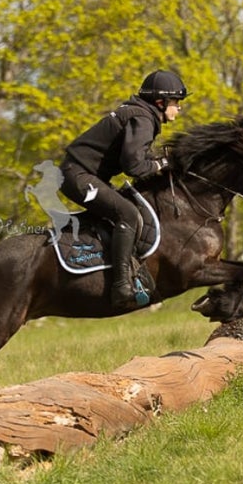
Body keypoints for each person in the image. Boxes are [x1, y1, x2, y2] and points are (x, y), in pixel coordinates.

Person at [58, 69, 187, 309]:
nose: (179, 108)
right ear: (160, 102)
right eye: (176, 102)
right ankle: (121, 286)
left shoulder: (139, 113)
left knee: (124, 208)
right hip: (78, 175)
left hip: (79, 173)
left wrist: (158, 161)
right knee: (127, 214)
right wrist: (163, 163)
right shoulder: (144, 118)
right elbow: (135, 167)